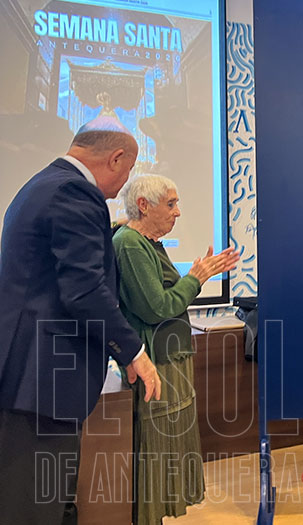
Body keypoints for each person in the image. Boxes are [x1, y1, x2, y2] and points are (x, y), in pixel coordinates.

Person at [0, 120, 162, 524]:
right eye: (129, 170)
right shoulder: (75, 193)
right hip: (42, 384)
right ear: (116, 158)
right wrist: (134, 352)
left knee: (40, 500)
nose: (125, 183)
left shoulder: (43, 185)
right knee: (33, 508)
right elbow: (85, 290)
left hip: (30, 381)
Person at [113, 174, 239, 525]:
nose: (178, 212)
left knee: (170, 446)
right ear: (143, 205)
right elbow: (157, 308)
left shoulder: (146, 241)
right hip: (155, 361)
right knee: (157, 449)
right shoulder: (130, 244)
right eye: (170, 204)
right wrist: (196, 278)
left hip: (170, 357)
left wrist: (197, 277)